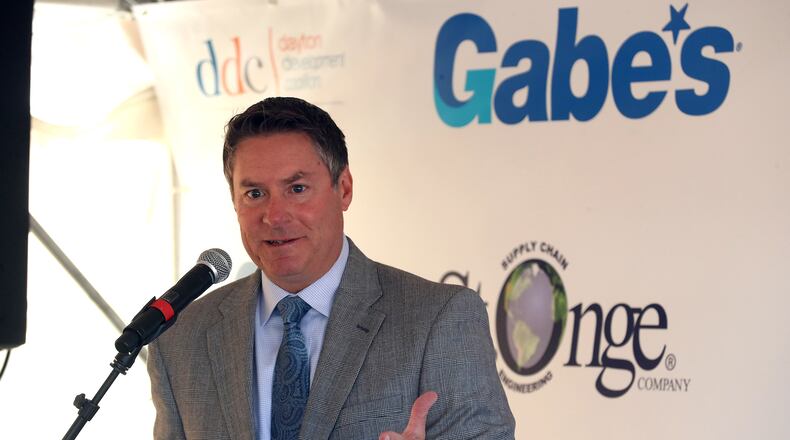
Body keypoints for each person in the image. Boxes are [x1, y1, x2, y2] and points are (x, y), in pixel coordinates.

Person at [147, 97, 515, 440]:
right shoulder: (180, 340)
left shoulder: (437, 319)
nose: (274, 216)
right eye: (254, 194)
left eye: (297, 188)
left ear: (344, 189)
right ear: (234, 203)